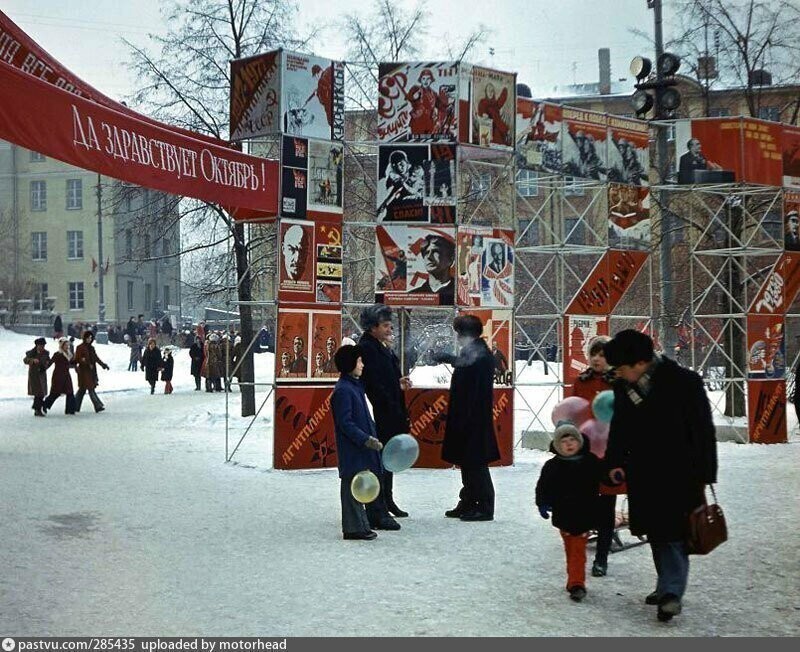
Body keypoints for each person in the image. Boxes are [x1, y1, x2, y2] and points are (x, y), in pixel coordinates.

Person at [603, 329, 718, 622]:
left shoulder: (684, 382)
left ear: (639, 363)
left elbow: (703, 430)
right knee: (656, 531)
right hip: (644, 472)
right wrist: (614, 461)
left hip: (682, 471)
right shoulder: (624, 387)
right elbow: (620, 428)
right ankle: (665, 583)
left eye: (622, 368)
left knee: (674, 533)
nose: (619, 374)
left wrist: (706, 472)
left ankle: (671, 592)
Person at [569, 335, 623, 578]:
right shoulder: (580, 382)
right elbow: (572, 413)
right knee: (583, 501)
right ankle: (580, 551)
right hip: (586, 450)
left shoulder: (620, 383)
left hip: (611, 452)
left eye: (603, 355)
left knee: (607, 504)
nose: (597, 359)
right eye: (594, 354)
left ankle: (601, 557)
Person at [439, 314, 499, 521]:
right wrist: (448, 359)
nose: (457, 338)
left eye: (459, 333)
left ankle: (484, 505)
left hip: (473, 418)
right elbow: (464, 364)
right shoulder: (475, 351)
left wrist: (464, 416)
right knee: (468, 462)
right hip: (468, 416)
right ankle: (469, 500)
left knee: (476, 463)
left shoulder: (480, 355)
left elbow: (470, 375)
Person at [535, 422, 602, 602]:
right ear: (557, 445)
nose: (569, 444)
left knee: (578, 549)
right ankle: (573, 579)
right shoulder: (552, 466)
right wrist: (542, 503)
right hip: (563, 515)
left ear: (579, 442)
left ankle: (576, 584)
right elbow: (543, 487)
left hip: (585, 514)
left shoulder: (590, 461)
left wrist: (614, 475)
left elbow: (604, 476)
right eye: (564, 441)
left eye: (573, 439)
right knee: (571, 548)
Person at [358, 305, 412, 526]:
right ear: (373, 328)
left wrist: (398, 382)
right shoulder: (368, 348)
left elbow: (385, 377)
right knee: (379, 461)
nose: (390, 328)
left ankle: (387, 499)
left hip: (389, 409)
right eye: (385, 324)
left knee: (388, 459)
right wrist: (392, 394)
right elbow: (374, 383)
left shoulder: (381, 346)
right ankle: (377, 505)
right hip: (381, 412)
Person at [331, 344, 386, 541]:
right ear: (350, 364)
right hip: (352, 448)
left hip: (360, 447)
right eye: (359, 361)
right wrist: (365, 439)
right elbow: (345, 423)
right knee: (351, 487)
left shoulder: (354, 386)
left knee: (357, 486)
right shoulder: (344, 390)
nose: (362, 365)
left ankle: (359, 524)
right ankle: (353, 527)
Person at [410, 234, 455, 304]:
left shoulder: (460, 294)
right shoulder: (413, 296)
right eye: (426, 253)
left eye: (435, 251)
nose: (428, 257)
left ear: (450, 260)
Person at [74, 331, 108, 413]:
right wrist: (84, 362)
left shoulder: (91, 348)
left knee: (82, 390)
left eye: (90, 338)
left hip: (91, 371)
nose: (89, 339)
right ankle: (98, 405)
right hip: (83, 371)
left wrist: (103, 365)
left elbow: (96, 358)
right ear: (84, 338)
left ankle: (74, 406)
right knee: (90, 388)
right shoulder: (80, 347)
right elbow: (77, 359)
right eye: (88, 338)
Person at [43, 337, 77, 415]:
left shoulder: (69, 354)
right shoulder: (58, 354)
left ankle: (70, 409)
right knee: (56, 393)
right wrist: (43, 368)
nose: (67, 347)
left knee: (70, 392)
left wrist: (76, 362)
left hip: (66, 375)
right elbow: (50, 363)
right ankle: (44, 405)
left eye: (68, 345)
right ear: (62, 346)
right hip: (58, 376)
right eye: (66, 345)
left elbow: (71, 363)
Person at [23, 337, 50, 417]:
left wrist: (45, 365)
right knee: (38, 393)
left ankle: (38, 408)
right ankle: (38, 409)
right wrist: (32, 361)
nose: (42, 347)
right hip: (34, 375)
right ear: (37, 345)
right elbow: (25, 360)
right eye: (41, 346)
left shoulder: (46, 353)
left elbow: (48, 361)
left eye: (43, 346)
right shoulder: (32, 352)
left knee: (41, 393)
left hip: (41, 375)